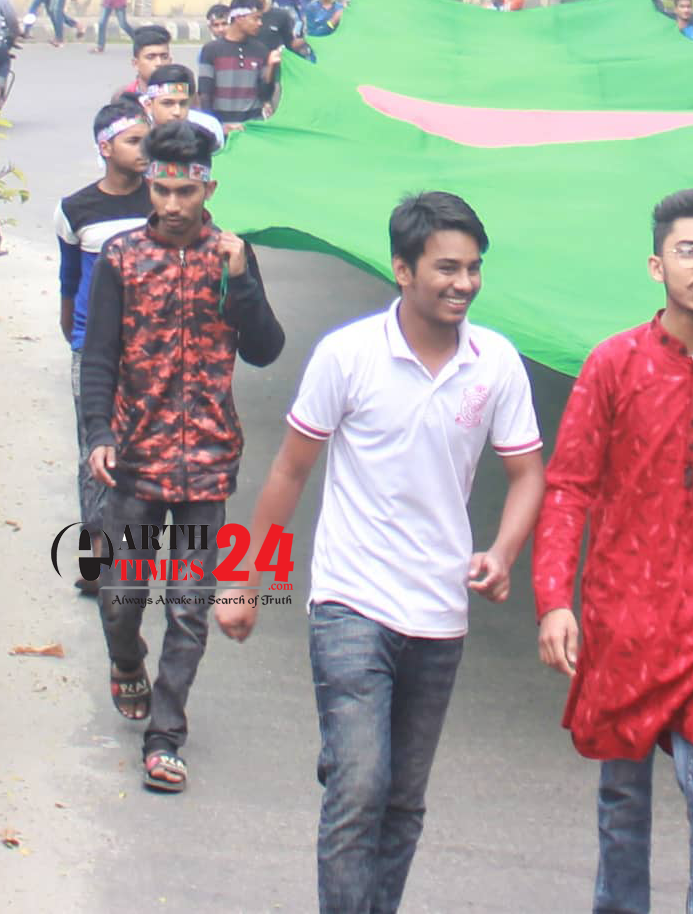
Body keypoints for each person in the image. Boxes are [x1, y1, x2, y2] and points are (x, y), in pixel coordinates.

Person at [215, 193, 545, 912]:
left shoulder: (495, 363)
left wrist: (502, 551)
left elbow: (527, 475)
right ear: (402, 269)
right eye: (446, 268)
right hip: (350, 599)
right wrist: (242, 581)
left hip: (438, 612)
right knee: (361, 786)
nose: (463, 283)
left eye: (473, 269)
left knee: (400, 800)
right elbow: (289, 471)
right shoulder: (349, 355)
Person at [533, 189, 693, 914]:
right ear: (656, 265)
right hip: (624, 615)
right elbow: (569, 487)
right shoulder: (613, 364)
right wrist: (554, 601)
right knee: (623, 801)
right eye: (689, 251)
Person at [80, 120, 285, 794]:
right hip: (135, 461)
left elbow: (265, 349)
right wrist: (98, 434)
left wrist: (241, 282)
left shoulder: (232, 257)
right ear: (150, 186)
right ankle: (126, 660)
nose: (172, 205)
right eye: (162, 190)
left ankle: (166, 735)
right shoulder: (121, 257)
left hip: (207, 464)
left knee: (189, 608)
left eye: (185, 192)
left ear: (207, 189)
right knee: (121, 598)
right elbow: (99, 355)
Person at [54, 103, 151, 594]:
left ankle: (132, 557)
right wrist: (77, 336)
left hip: (150, 350)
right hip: (92, 350)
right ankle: (96, 559)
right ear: (105, 146)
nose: (143, 149)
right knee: (94, 446)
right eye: (133, 141)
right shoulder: (75, 210)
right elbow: (69, 280)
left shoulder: (162, 201)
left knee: (142, 449)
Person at [196, 0, 271, 126]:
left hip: (252, 128)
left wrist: (272, 67)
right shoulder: (211, 50)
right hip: (223, 127)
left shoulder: (261, 50)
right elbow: (204, 94)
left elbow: (265, 94)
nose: (260, 23)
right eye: (256, 18)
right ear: (239, 18)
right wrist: (215, 128)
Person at [140, 62, 226, 149]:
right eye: (167, 103)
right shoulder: (137, 134)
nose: (177, 112)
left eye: (183, 103)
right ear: (149, 106)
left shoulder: (208, 127)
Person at [118, 25, 174, 100]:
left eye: (164, 57)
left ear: (170, 61)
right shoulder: (123, 96)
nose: (159, 63)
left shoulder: (182, 95)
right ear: (135, 64)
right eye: (150, 57)